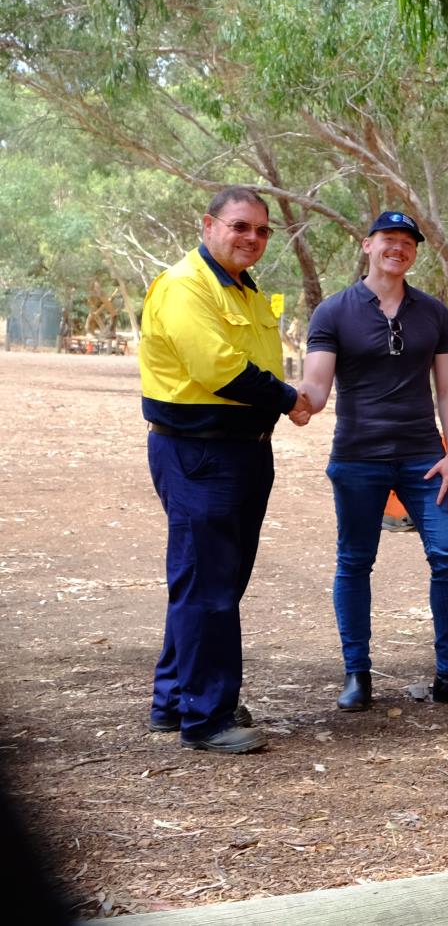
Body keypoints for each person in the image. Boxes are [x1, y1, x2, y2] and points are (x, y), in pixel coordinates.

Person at [139, 187, 314, 754]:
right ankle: (206, 717)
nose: (252, 239)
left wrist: (281, 404)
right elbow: (219, 368)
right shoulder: (187, 286)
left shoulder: (241, 287)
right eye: (241, 227)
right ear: (209, 225)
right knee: (208, 586)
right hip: (200, 452)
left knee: (213, 581)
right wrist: (290, 398)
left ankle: (175, 700)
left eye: (262, 232)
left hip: (242, 450)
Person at [298, 211, 448, 712]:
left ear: (414, 253)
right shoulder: (334, 311)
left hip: (425, 460)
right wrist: (295, 400)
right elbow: (316, 386)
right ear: (368, 245)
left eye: (407, 242)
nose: (397, 248)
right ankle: (357, 674)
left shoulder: (432, 312)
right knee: (355, 562)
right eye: (388, 239)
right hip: (358, 457)